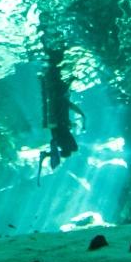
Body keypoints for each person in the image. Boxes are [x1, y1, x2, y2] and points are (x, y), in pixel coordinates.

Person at [38, 47, 86, 181]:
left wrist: (82, 116)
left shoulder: (61, 98)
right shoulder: (61, 99)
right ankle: (53, 57)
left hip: (58, 125)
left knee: (72, 149)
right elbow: (69, 103)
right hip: (57, 127)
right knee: (71, 150)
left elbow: (68, 102)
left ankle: (53, 55)